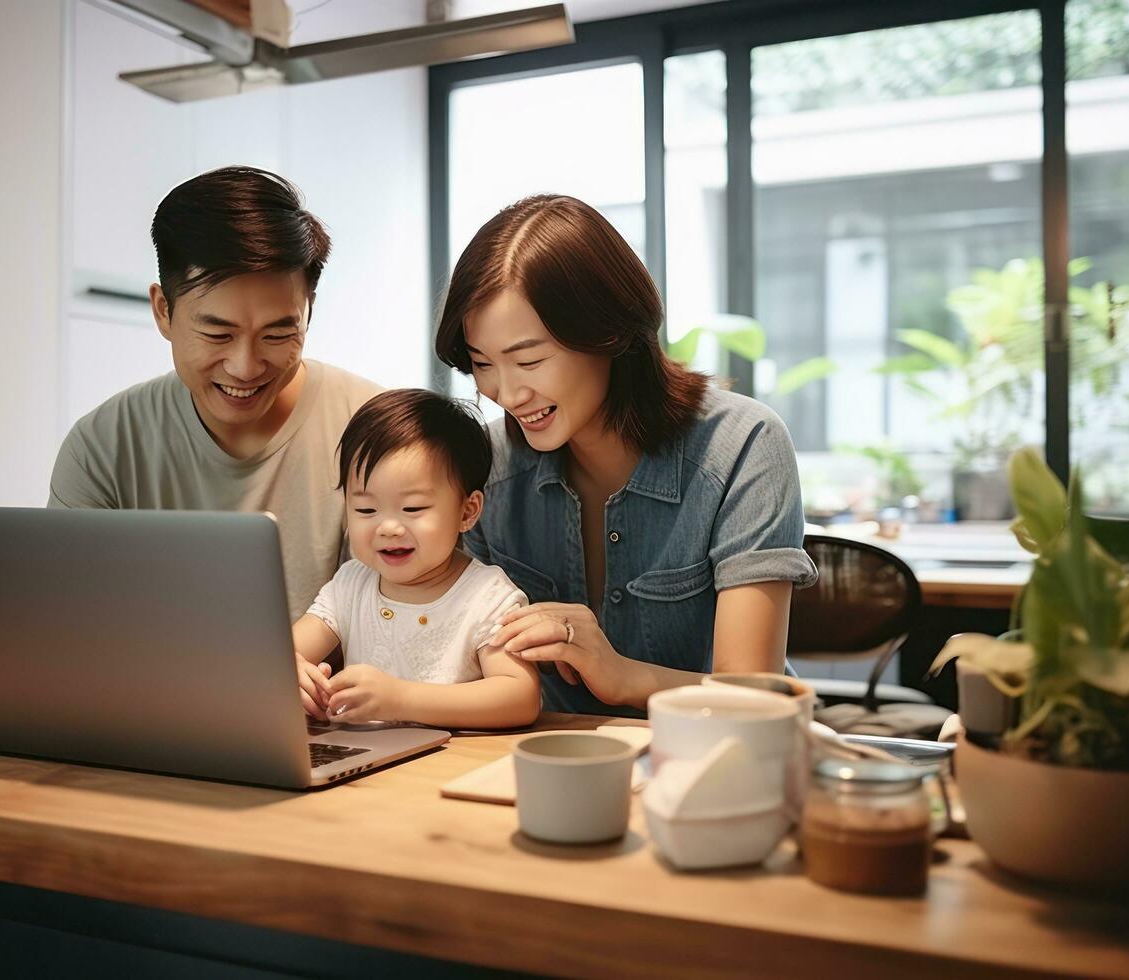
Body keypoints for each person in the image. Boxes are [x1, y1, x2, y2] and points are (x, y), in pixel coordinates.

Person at [434, 194, 817, 718]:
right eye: (482, 364)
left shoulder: (742, 445)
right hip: (545, 760)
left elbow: (752, 696)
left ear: (609, 333)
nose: (507, 391)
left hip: (720, 764)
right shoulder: (490, 466)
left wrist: (623, 676)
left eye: (530, 359)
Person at [48, 167, 380, 620]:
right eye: (218, 334)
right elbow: (66, 623)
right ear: (163, 310)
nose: (245, 367)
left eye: (276, 334)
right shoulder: (103, 447)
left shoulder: (379, 433)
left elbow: (405, 627)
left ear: (308, 312)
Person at [292, 389, 540, 729]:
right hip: (366, 763)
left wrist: (400, 699)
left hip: (449, 767)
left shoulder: (488, 597)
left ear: (467, 512)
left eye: (413, 509)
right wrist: (293, 673)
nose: (389, 527)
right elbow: (277, 655)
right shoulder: (351, 584)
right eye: (366, 509)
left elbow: (520, 697)